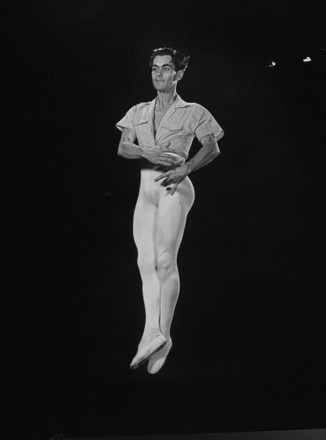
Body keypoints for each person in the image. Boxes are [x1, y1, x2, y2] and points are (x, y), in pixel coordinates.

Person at [116, 47, 224, 374]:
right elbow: (123, 147)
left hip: (173, 184)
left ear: (178, 74)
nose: (159, 74)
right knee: (144, 261)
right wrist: (145, 149)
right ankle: (153, 333)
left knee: (164, 259)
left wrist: (186, 168)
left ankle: (166, 333)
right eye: (155, 69)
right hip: (146, 185)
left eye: (166, 69)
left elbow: (212, 146)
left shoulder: (193, 111)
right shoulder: (138, 110)